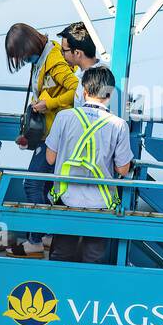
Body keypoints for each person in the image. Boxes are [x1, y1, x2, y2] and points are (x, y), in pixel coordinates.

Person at [4, 22, 80, 257]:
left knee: (32, 184)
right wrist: (29, 135)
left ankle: (38, 240)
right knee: (45, 187)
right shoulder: (43, 58)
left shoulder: (54, 60)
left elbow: (77, 89)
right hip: (48, 134)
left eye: (22, 56)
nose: (22, 60)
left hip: (57, 136)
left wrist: (50, 104)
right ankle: (46, 236)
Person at [45, 65, 133, 264]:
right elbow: (122, 169)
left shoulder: (64, 117)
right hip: (100, 204)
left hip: (66, 199)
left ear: (84, 91)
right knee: (93, 258)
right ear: (109, 95)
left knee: (61, 255)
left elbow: (50, 158)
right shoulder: (119, 125)